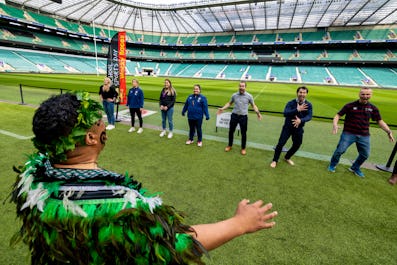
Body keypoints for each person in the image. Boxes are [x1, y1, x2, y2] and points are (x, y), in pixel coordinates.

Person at [10, 92, 277, 265]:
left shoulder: (32, 179)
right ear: (91, 138)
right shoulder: (121, 206)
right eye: (99, 122)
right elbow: (175, 245)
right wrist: (239, 223)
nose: (104, 124)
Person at [328, 87, 394, 178]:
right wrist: (335, 124)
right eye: (363, 94)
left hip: (364, 135)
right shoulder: (350, 105)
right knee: (340, 150)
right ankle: (332, 164)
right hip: (348, 133)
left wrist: (388, 131)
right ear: (359, 94)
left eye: (367, 94)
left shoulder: (373, 108)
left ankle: (355, 167)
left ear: (371, 95)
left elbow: (379, 121)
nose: (365, 96)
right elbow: (338, 115)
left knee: (365, 154)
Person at [270, 86, 313, 168]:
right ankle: (275, 160)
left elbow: (309, 116)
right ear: (297, 93)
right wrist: (297, 110)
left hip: (299, 128)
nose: (302, 94)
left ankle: (287, 157)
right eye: (300, 92)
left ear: (306, 94)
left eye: (304, 93)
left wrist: (301, 120)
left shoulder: (308, 105)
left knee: (297, 144)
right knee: (280, 144)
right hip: (288, 127)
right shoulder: (291, 103)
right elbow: (285, 113)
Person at [217, 81, 262, 155]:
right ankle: (229, 145)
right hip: (234, 115)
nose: (241, 87)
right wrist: (222, 108)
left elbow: (254, 105)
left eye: (243, 86)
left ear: (245, 87)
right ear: (239, 87)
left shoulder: (249, 96)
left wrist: (258, 113)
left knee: (243, 133)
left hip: (243, 117)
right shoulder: (234, 95)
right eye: (240, 86)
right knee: (231, 131)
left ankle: (243, 148)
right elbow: (229, 103)